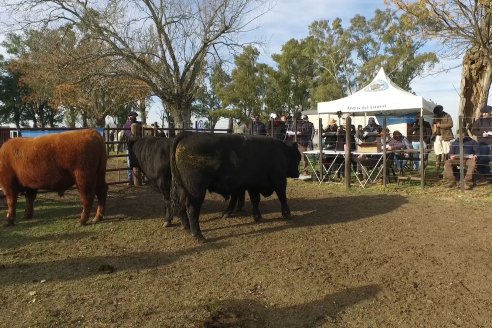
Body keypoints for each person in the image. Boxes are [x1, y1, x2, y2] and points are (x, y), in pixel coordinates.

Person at [471, 105, 492, 180]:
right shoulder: (479, 121)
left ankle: (486, 173)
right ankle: (486, 174)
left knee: (490, 157)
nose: (485, 114)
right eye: (483, 112)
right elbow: (473, 131)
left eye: (486, 112)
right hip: (482, 143)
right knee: (483, 158)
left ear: (490, 112)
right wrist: (482, 134)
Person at [432, 105, 454, 177]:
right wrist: (433, 133)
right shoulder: (435, 116)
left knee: (446, 152)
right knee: (438, 152)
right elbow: (434, 125)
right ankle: (437, 168)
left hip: (446, 136)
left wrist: (440, 125)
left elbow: (450, 124)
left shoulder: (447, 115)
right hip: (437, 136)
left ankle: (446, 168)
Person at [123, 111, 142, 184]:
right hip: (130, 146)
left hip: (139, 146)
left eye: (135, 116)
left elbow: (142, 133)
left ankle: (141, 178)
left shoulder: (139, 124)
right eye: (132, 116)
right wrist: (137, 138)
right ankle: (130, 178)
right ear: (129, 117)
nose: (134, 118)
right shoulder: (126, 125)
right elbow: (129, 135)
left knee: (140, 161)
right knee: (129, 162)